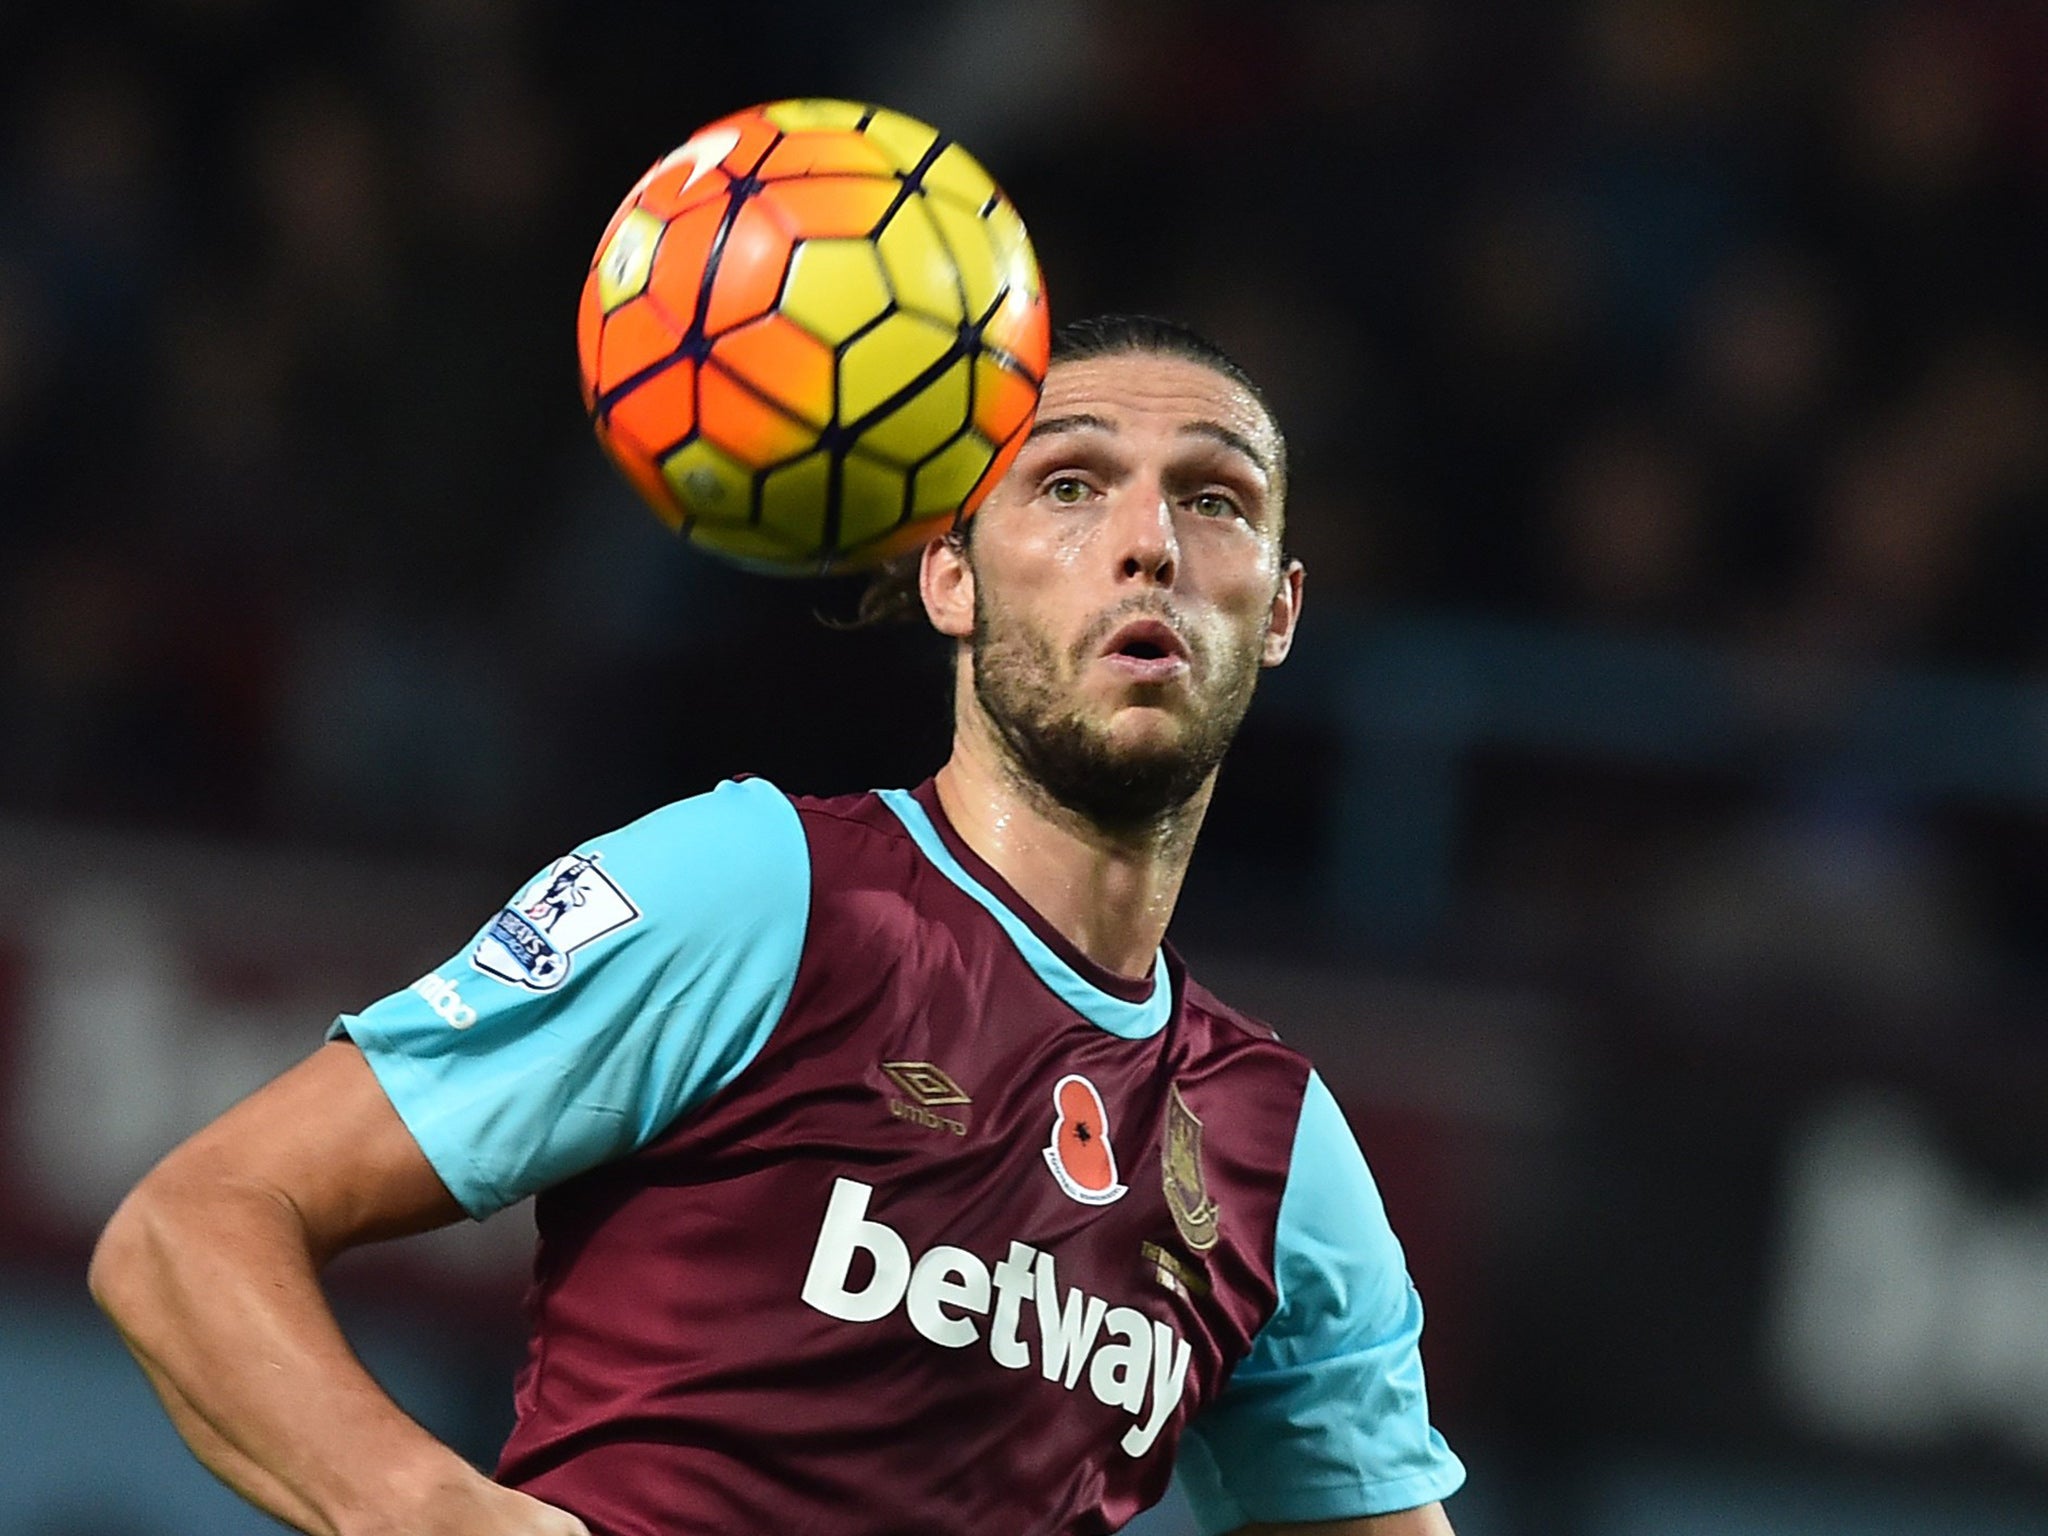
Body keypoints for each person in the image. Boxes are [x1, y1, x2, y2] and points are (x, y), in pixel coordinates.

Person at [89, 315, 1466, 1536]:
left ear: (1279, 611)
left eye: (1216, 500)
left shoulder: (1280, 1157)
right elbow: (192, 1229)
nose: (1149, 541)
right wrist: (436, 1513)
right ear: (951, 578)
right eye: (1069, 482)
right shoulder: (760, 890)